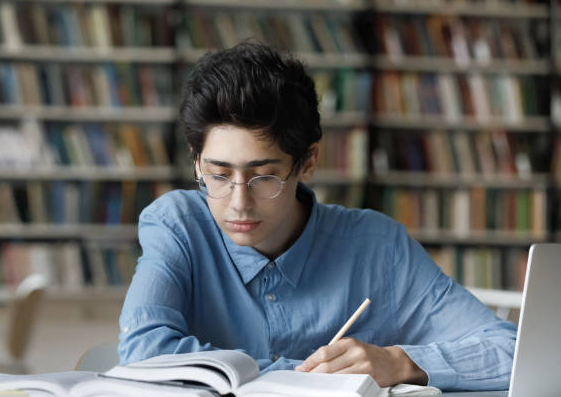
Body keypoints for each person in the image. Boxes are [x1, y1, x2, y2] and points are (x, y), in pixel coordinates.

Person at [118, 42, 517, 391]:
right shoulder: (177, 225)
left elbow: (511, 350)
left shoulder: (376, 245)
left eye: (264, 176)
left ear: (307, 162)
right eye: (218, 175)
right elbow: (143, 351)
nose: (238, 202)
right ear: (196, 162)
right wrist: (307, 376)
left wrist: (398, 363)